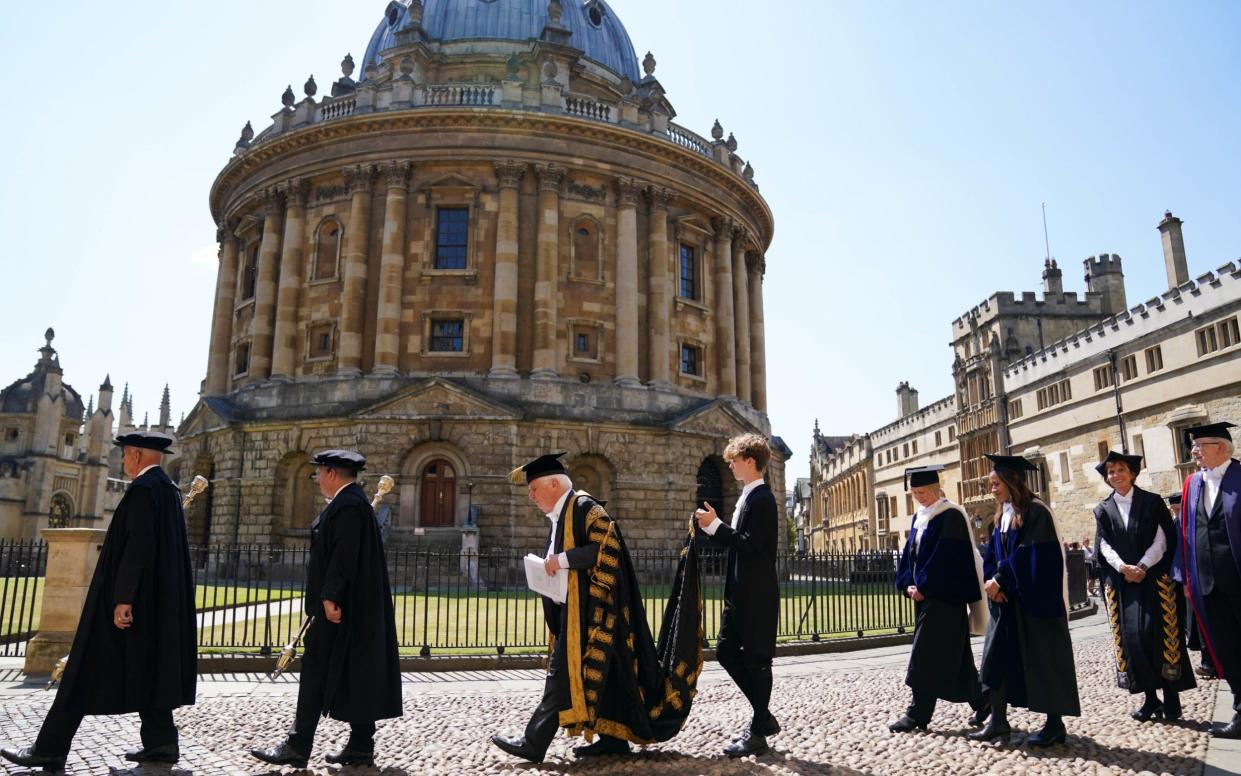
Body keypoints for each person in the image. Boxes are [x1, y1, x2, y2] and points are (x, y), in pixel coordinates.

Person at [2, 431, 196, 771]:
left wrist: (123, 598)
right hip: (157, 605)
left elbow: (136, 549)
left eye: (124, 455)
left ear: (135, 455)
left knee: (82, 668)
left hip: (128, 602)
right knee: (148, 666)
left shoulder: (142, 490)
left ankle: (49, 748)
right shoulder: (168, 490)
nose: (122, 461)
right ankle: (162, 744)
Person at [492, 453, 697, 764]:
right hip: (578, 613)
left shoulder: (587, 508)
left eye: (534, 488)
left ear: (554, 484)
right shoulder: (563, 515)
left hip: (597, 615)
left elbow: (606, 548)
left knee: (560, 677)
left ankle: (533, 743)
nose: (531, 496)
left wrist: (559, 561)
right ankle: (613, 740)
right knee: (613, 677)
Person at [250, 450, 401, 768]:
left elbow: (343, 555)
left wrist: (330, 595)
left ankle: (297, 745)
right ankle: (360, 746)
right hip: (352, 608)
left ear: (333, 473)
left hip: (339, 608)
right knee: (356, 673)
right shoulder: (354, 503)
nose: (317, 479)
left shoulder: (347, 506)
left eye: (319, 473)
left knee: (316, 671)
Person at [970, 454, 1080, 747]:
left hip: (1034, 602)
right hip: (1006, 602)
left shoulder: (1036, 512)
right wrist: (991, 581)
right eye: (990, 484)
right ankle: (997, 721)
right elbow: (992, 555)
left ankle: (1054, 725)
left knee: (1044, 661)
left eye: (996, 483)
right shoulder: (1001, 516)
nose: (992, 489)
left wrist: (1001, 579)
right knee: (995, 659)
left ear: (1012, 481)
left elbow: (1030, 554)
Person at [695, 433, 780, 757]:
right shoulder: (747, 497)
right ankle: (764, 716)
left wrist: (716, 526)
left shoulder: (764, 500)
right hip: (739, 592)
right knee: (727, 651)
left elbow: (751, 546)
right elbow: (738, 545)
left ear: (750, 461)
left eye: (734, 460)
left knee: (758, 661)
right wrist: (711, 528)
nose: (729, 465)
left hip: (757, 595)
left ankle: (758, 730)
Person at [1092, 451, 1194, 722]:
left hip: (1153, 580)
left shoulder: (1151, 502)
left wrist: (1143, 567)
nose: (1116, 475)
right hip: (1123, 583)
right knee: (1132, 639)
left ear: (1133, 473)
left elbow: (1163, 539)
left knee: (1159, 635)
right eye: (1111, 472)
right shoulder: (1103, 509)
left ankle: (1172, 697)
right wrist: (1123, 568)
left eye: (1121, 470)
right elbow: (1103, 544)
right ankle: (1150, 699)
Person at [888, 465, 989, 733]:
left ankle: (917, 714)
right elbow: (911, 554)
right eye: (914, 492)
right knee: (956, 658)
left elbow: (946, 558)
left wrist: (924, 585)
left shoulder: (950, 516)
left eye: (922, 491)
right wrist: (908, 583)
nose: (918, 497)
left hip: (945, 597)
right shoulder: (920, 517)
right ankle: (982, 699)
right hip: (926, 597)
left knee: (925, 654)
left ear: (935, 489)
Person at [1171, 422, 1241, 739]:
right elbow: (1186, 532)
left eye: (1200, 445)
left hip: (1238, 579)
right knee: (1227, 650)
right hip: (1207, 583)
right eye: (1193, 446)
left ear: (1221, 448)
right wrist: (1185, 575)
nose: (1193, 452)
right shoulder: (1192, 484)